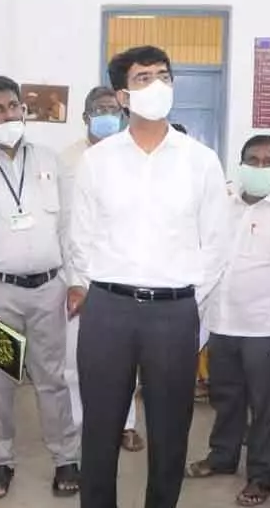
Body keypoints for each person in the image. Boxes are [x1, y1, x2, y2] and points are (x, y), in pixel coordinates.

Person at [71, 46, 229, 508]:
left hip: (174, 312)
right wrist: (99, 285)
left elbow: (216, 243)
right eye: (143, 78)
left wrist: (183, 298)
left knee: (170, 429)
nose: (157, 85)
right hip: (107, 309)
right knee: (100, 427)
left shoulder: (200, 161)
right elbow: (81, 237)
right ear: (123, 96)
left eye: (163, 75)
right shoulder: (98, 161)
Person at [0, 75, 81, 500]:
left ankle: (66, 456)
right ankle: (0, 462)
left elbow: (68, 225)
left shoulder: (50, 159)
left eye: (14, 106)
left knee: (53, 378)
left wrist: (77, 279)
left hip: (50, 289)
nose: (9, 114)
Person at [186, 135, 270, 506]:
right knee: (225, 398)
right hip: (222, 323)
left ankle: (261, 475)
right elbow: (209, 260)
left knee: (264, 405)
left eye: (268, 162)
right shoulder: (222, 207)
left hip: (267, 329)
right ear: (240, 164)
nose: (259, 168)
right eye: (252, 160)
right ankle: (223, 458)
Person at [59, 85, 145, 453]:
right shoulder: (66, 160)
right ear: (86, 117)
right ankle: (80, 422)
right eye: (100, 108)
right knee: (74, 357)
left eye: (114, 108)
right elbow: (63, 223)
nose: (108, 114)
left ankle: (125, 424)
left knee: (125, 359)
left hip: (122, 274)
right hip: (74, 273)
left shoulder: (134, 157)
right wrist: (73, 279)